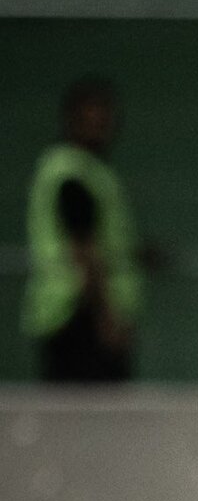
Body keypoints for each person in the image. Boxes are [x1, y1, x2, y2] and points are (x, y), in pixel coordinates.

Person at [23, 79, 145, 382]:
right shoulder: (72, 174)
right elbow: (84, 249)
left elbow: (103, 239)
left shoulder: (89, 171)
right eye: (90, 122)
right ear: (72, 121)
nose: (99, 130)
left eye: (104, 122)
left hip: (75, 311)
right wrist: (106, 317)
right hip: (77, 313)